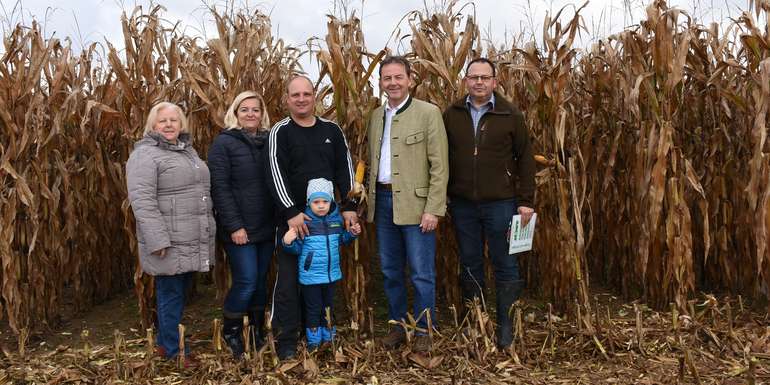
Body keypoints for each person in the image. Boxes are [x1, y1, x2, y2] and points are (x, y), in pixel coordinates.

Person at [442, 58, 535, 350]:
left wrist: (526, 201)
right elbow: (441, 156)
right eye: (473, 77)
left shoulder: (510, 114)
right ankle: (476, 322)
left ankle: (505, 328)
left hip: (501, 203)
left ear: (495, 82)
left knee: (505, 263)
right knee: (469, 262)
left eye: (485, 77)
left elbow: (526, 159)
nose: (479, 82)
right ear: (465, 81)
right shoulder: (452, 114)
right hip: (463, 204)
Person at [267, 75, 358, 360]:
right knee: (289, 281)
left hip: (327, 220)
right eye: (296, 95)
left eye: (307, 93)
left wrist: (349, 205)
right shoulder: (280, 132)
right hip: (293, 220)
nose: (302, 99)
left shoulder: (331, 130)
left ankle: (316, 332)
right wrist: (292, 213)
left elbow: (345, 169)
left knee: (321, 279)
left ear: (315, 96)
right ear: (287, 98)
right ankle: (287, 339)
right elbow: (275, 173)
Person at [365, 56, 448, 353]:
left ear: (410, 79)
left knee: (421, 272)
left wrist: (434, 208)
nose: (393, 83)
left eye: (398, 77)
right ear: (381, 82)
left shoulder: (428, 113)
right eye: (387, 78)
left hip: (417, 205)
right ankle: (397, 327)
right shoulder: (376, 116)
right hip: (383, 201)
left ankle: (425, 329)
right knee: (390, 270)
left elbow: (440, 165)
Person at [126, 102, 215, 365]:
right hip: (169, 239)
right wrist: (157, 238)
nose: (168, 125)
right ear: (152, 125)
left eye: (174, 120)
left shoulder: (187, 152)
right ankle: (173, 351)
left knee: (177, 292)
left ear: (182, 124)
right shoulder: (145, 155)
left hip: (189, 236)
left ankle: (168, 344)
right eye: (162, 120)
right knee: (170, 293)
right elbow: (142, 200)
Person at [208, 91, 276, 359]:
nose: (250, 114)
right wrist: (235, 226)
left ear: (262, 114)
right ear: (235, 114)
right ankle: (232, 332)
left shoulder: (270, 140)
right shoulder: (224, 143)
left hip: (266, 225)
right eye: (244, 109)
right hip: (239, 229)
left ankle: (257, 332)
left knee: (260, 281)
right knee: (246, 280)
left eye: (255, 110)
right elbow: (220, 188)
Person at [282, 178, 361, 352]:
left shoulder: (336, 221)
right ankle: (314, 342)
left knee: (328, 306)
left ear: (331, 201)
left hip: (331, 274)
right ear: (309, 202)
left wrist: (352, 234)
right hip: (311, 276)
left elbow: (341, 240)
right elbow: (297, 248)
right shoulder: (305, 223)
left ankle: (329, 337)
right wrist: (287, 243)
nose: (321, 205)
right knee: (313, 308)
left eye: (325, 201)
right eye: (316, 202)